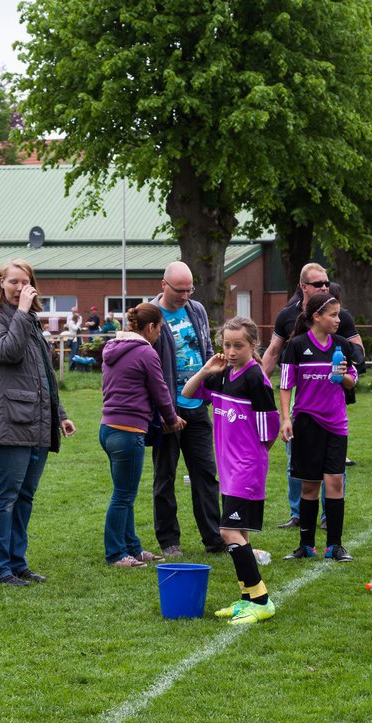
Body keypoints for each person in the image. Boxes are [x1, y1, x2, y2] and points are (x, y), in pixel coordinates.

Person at [0, 259, 75, 586]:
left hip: (36, 423)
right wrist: (22, 312)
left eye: (25, 282)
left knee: (24, 497)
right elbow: (8, 353)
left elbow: (44, 374)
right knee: (3, 498)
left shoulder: (29, 321)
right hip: (6, 422)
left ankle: (16, 563)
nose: (19, 288)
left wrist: (60, 415)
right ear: (1, 282)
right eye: (13, 282)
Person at [183, 316, 281, 624]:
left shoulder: (256, 380)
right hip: (228, 469)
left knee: (227, 531)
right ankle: (247, 598)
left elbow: (270, 430)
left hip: (246, 469)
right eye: (227, 344)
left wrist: (251, 460)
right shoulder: (222, 374)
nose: (232, 350)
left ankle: (262, 600)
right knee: (240, 534)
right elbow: (186, 393)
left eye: (239, 345)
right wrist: (206, 369)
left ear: (254, 345)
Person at [261, 263, 365, 527]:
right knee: (294, 460)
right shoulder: (288, 317)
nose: (325, 287)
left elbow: (357, 351)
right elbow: (274, 353)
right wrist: (258, 385)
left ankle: (329, 516)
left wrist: (346, 371)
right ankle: (298, 514)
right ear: (303, 286)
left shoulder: (340, 317)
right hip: (302, 399)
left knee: (334, 466)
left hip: (332, 395)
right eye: (319, 284)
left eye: (327, 283)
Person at [150, 261, 227, 556]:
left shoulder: (197, 310)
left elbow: (204, 348)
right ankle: (169, 541)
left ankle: (214, 537)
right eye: (179, 290)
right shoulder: (151, 316)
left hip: (197, 406)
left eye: (189, 289)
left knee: (206, 474)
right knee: (165, 476)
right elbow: (148, 366)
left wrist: (212, 382)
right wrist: (163, 410)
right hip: (169, 410)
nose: (184, 296)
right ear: (163, 285)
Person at [99, 303, 184, 567]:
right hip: (128, 432)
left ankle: (132, 547)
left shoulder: (112, 349)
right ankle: (116, 553)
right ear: (150, 327)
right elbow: (160, 391)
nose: (160, 335)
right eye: (160, 329)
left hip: (108, 428)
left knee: (126, 492)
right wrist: (172, 419)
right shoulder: (146, 353)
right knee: (123, 495)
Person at [279, 292, 359, 562]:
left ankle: (334, 546)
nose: (338, 320)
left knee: (335, 481)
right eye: (333, 315)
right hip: (306, 423)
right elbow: (286, 384)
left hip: (336, 424)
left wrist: (343, 375)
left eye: (338, 315)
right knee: (310, 486)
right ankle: (306, 545)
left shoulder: (342, 346)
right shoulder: (297, 346)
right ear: (316, 317)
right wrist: (286, 418)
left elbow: (352, 383)